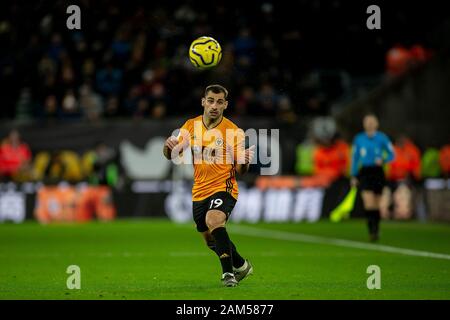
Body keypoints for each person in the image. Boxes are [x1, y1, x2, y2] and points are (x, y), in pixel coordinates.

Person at [163, 84, 255, 287]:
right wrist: (168, 148)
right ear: (203, 102)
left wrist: (245, 160)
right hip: (199, 190)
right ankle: (241, 265)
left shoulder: (233, 131)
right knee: (210, 240)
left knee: (214, 220)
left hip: (224, 186)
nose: (214, 106)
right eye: (211, 101)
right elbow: (173, 154)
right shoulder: (190, 126)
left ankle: (228, 274)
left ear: (225, 105)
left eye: (219, 102)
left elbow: (241, 170)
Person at [350, 113, 394, 241]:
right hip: (364, 172)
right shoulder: (358, 139)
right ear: (364, 124)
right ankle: (372, 231)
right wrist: (353, 175)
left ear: (376, 124)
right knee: (368, 202)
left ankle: (376, 227)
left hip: (378, 172)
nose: (369, 123)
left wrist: (384, 159)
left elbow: (392, 154)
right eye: (367, 121)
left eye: (371, 121)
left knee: (377, 203)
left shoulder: (382, 138)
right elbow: (355, 158)